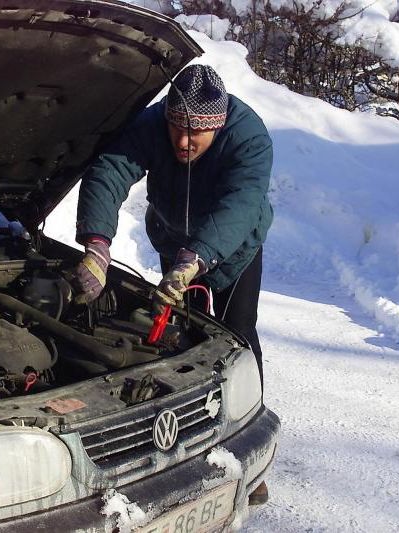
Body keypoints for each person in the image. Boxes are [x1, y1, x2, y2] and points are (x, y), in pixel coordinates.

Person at [72, 64, 273, 505]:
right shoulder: (152, 126)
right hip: (175, 241)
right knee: (185, 341)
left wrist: (195, 261)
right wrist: (97, 245)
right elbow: (110, 171)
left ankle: (250, 450)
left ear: (217, 125)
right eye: (177, 127)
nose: (183, 141)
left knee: (237, 337)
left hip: (234, 250)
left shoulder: (249, 137)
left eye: (196, 132)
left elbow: (241, 205)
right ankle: (186, 445)